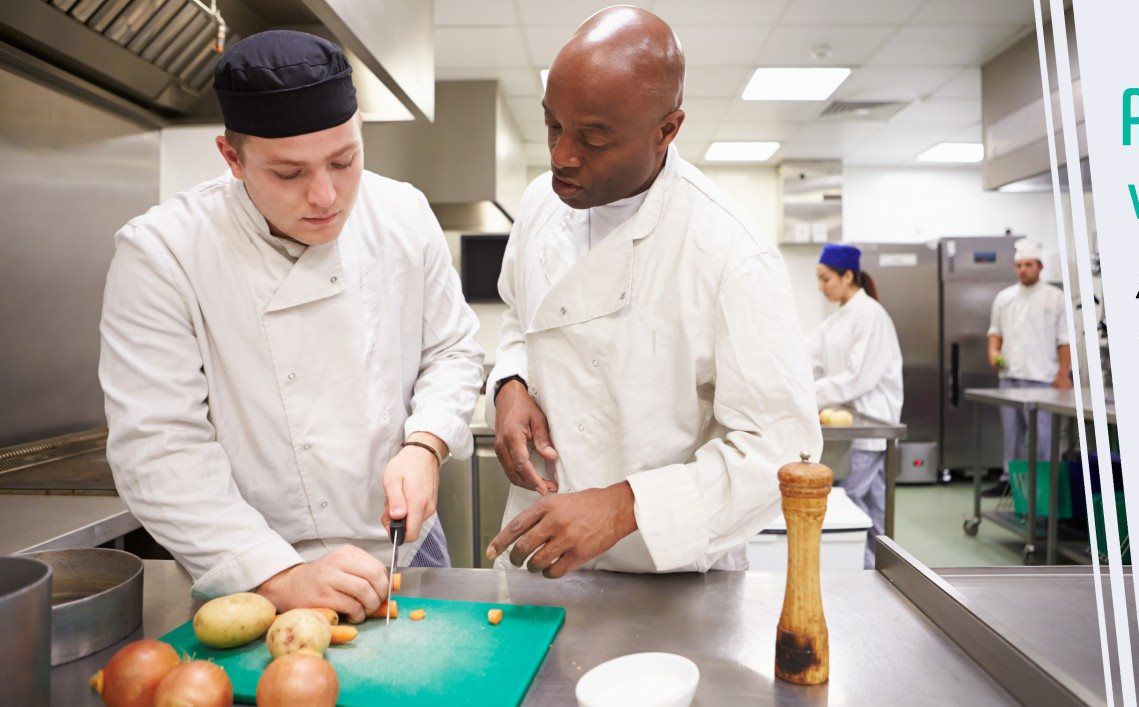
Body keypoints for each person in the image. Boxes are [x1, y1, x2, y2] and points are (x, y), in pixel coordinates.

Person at [98, 31, 482, 618]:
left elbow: (452, 350)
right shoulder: (164, 252)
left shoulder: (402, 214)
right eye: (287, 174)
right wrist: (276, 573)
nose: (325, 195)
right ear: (232, 159)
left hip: (407, 550)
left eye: (343, 160)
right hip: (258, 568)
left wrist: (425, 444)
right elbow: (158, 445)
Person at [484, 6, 821, 578]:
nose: (562, 155)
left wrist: (624, 506)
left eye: (593, 138)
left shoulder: (731, 253)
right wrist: (511, 385)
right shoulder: (543, 202)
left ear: (667, 130)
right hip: (536, 559)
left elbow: (780, 450)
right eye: (552, 125)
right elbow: (519, 314)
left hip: (669, 576)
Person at [808, 244, 904, 568]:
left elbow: (855, 377)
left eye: (826, 279)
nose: (821, 288)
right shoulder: (838, 319)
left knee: (851, 502)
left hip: (872, 422)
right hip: (852, 424)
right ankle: (877, 568)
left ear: (848, 276)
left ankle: (865, 570)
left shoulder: (871, 315)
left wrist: (806, 393)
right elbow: (807, 356)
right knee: (870, 503)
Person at [987, 238, 1074, 474]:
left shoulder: (1055, 298)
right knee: (1012, 436)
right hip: (1009, 377)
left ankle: (1044, 486)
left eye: (1028, 265)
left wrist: (1063, 375)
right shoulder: (1004, 298)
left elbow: (1065, 341)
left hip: (1043, 379)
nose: (1023, 270)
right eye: (1019, 265)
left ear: (1040, 267)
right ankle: (1012, 483)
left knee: (1042, 438)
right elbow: (995, 333)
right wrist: (993, 353)